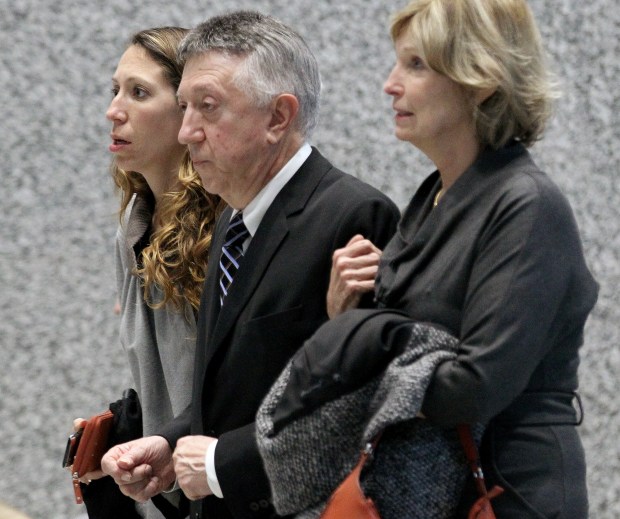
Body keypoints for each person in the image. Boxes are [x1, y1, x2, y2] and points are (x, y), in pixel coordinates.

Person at [257, 0, 599, 518]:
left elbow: (473, 387)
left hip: (505, 495)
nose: (390, 84)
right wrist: (348, 316)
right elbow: (416, 350)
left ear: (480, 79)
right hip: (431, 489)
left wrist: (363, 339)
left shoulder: (527, 205)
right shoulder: (434, 196)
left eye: (416, 65)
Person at [100, 10, 400, 519]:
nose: (188, 132)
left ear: (278, 118)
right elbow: (231, 392)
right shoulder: (233, 220)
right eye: (184, 107)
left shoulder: (353, 214)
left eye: (208, 108)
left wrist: (222, 463)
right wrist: (170, 444)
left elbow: (357, 408)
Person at [73, 26, 221, 519]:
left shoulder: (227, 226)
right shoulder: (135, 222)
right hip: (161, 494)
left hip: (221, 487)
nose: (114, 110)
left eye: (138, 93)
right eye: (114, 90)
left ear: (187, 110)